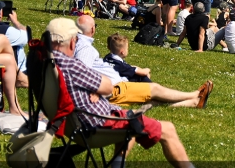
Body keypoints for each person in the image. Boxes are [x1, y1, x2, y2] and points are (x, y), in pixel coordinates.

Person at [44, 18, 193, 168]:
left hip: (72, 124)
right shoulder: (72, 65)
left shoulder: (45, 62)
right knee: (167, 128)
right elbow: (107, 87)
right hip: (95, 123)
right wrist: (98, 86)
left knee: (131, 119)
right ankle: (192, 97)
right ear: (71, 41)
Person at [73, 15, 212, 108]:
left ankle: (194, 102)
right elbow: (80, 72)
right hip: (115, 88)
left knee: (152, 100)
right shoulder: (85, 48)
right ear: (92, 29)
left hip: (115, 86)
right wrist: (94, 92)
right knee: (154, 89)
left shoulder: (79, 44)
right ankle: (194, 95)